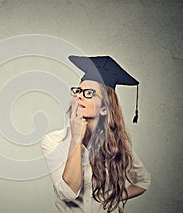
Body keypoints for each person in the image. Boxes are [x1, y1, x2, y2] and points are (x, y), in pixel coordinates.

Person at [41, 55, 151, 213]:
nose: (79, 96)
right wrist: (76, 139)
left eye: (89, 93)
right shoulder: (53, 141)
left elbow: (142, 182)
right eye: (78, 91)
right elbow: (68, 193)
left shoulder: (117, 143)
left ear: (104, 108)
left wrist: (113, 199)